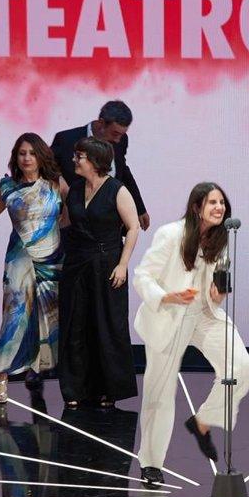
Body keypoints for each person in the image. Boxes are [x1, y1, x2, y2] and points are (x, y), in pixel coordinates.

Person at [134, 182, 249, 486]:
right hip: (169, 315)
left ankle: (203, 421)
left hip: (203, 315)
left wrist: (218, 294)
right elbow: (142, 276)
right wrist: (166, 296)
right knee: (159, 393)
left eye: (222, 202)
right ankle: (150, 463)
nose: (219, 208)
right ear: (196, 207)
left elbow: (216, 290)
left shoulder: (219, 240)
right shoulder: (171, 234)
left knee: (240, 367)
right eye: (213, 202)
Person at [57, 137, 140, 408]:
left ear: (94, 161)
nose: (74, 160)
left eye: (79, 156)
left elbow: (133, 227)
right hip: (77, 264)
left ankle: (108, 389)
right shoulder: (75, 189)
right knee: (75, 324)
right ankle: (75, 389)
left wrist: (123, 264)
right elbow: (66, 223)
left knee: (107, 325)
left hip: (107, 264)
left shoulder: (117, 189)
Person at [0, 133, 68, 403]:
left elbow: (71, 219)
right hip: (19, 260)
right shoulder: (8, 187)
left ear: (41, 156)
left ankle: (37, 368)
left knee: (48, 318)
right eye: (22, 153)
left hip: (52, 260)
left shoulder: (56, 184)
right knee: (14, 317)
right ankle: (1, 379)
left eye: (32, 153)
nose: (26, 158)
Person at [51, 100, 150, 231]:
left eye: (122, 135)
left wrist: (139, 208)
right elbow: (47, 169)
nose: (118, 140)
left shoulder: (121, 140)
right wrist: (62, 186)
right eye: (115, 133)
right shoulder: (66, 139)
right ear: (101, 123)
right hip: (72, 224)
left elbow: (123, 172)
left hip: (108, 226)